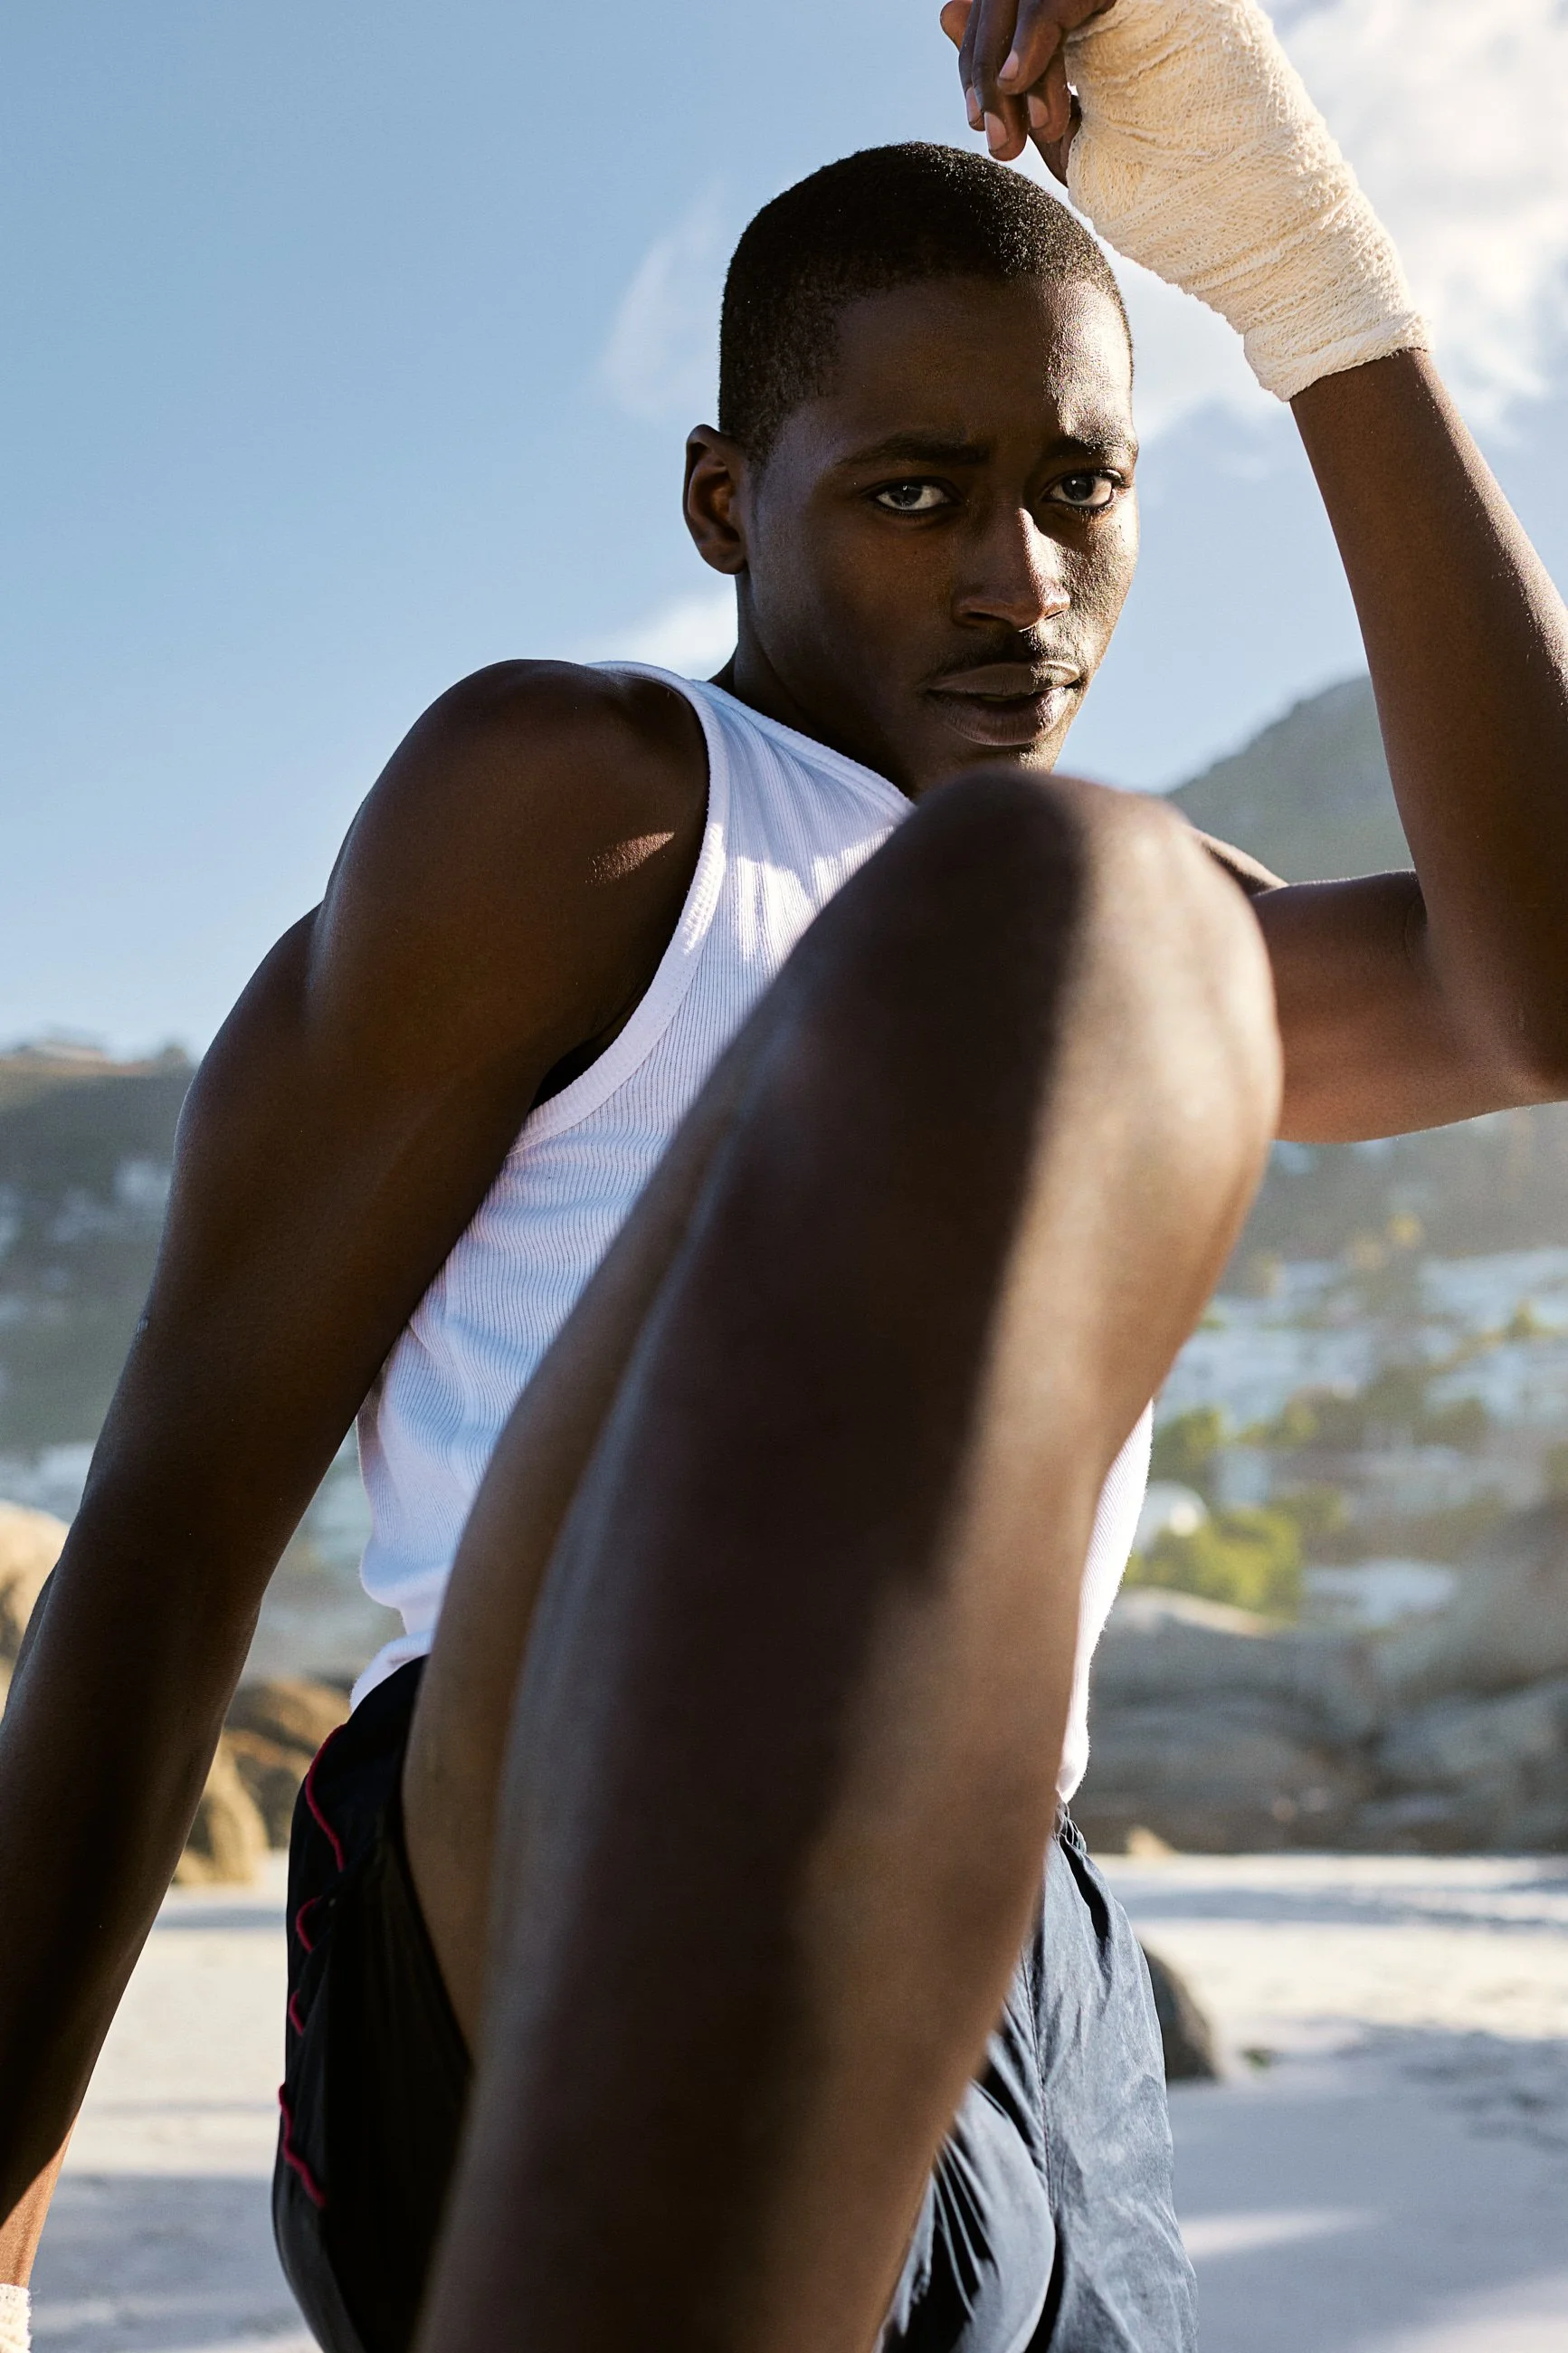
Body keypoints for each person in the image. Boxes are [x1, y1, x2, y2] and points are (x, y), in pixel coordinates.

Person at [4, 4, 1568, 2348]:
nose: (1019, 583)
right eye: (915, 493)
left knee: (1093, 904)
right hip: (548, 1842)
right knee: (1071, 903)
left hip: (1015, 1960)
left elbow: (1533, 993)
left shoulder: (1165, 930)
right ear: (728, 502)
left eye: (1079, 486)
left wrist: (1306, 278)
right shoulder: (589, 804)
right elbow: (166, 1538)